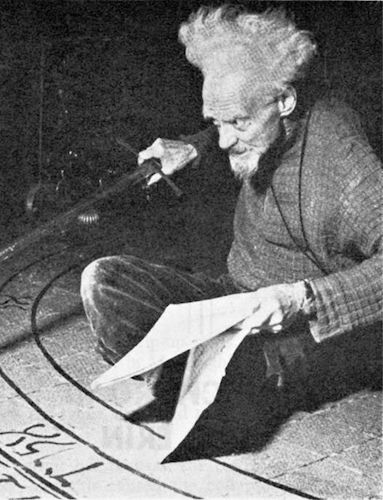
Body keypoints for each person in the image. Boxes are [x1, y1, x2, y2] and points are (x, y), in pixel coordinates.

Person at [81, 4, 382, 400]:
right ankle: (203, 375)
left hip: (300, 328)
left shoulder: (342, 159)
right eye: (215, 122)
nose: (224, 140)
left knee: (256, 363)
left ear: (285, 101)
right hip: (236, 299)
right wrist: (192, 148)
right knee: (105, 282)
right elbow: (231, 133)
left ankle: (217, 378)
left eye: (237, 123)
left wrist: (303, 299)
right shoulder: (256, 124)